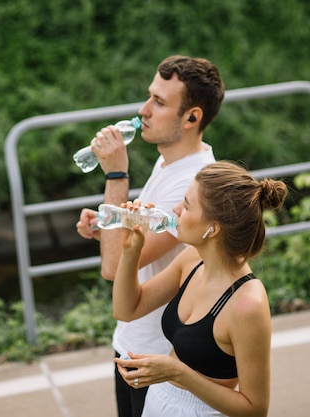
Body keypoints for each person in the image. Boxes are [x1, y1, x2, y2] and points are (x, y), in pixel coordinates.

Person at [76, 55, 224, 417]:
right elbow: (140, 244)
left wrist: (116, 178)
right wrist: (106, 227)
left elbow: (114, 267)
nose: (143, 110)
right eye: (149, 96)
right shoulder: (168, 161)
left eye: (159, 102)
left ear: (192, 118)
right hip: (132, 343)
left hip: (158, 359)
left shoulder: (194, 182)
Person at [112, 161, 288, 417]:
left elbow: (255, 409)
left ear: (212, 228)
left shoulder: (248, 304)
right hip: (158, 401)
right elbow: (126, 309)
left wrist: (178, 372)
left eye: (186, 205)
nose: (175, 209)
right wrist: (131, 251)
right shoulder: (192, 260)